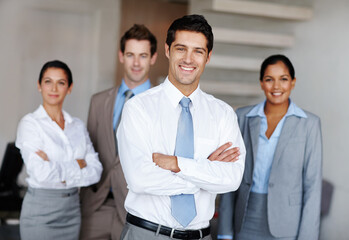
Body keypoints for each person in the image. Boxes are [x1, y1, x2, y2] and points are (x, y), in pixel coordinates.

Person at [117, 14, 246, 240]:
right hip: (146, 233)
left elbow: (232, 179)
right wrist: (205, 172)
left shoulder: (223, 114)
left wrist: (177, 164)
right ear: (167, 50)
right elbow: (139, 179)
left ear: (208, 57)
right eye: (181, 49)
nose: (188, 59)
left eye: (198, 51)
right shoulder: (138, 109)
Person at [217, 54, 322, 240]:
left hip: (287, 223)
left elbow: (312, 186)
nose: (276, 87)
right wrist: (224, 231)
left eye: (283, 79)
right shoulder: (243, 117)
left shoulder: (309, 124)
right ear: (261, 83)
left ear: (293, 82)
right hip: (244, 218)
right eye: (269, 79)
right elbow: (229, 175)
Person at [79, 24, 158, 239]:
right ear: (121, 55)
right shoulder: (98, 101)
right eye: (130, 54)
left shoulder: (162, 107)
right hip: (96, 206)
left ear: (153, 58)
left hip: (138, 210)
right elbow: (89, 150)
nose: (136, 63)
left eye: (143, 56)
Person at [15, 60, 103, 240]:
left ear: (69, 88)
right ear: (39, 86)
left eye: (61, 82)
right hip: (40, 212)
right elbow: (41, 173)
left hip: (72, 210)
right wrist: (77, 165)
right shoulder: (30, 124)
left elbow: (96, 171)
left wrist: (56, 167)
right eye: (48, 81)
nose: (54, 88)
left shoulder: (77, 126)